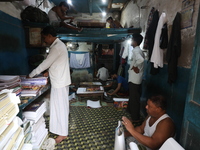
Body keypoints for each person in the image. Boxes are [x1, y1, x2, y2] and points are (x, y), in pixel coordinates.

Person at [28, 26, 71, 143]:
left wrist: (30, 75)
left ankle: (62, 134)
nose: (44, 40)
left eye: (45, 38)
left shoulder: (56, 47)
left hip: (60, 82)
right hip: (60, 81)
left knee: (60, 108)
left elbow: (45, 64)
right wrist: (48, 72)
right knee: (59, 107)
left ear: (50, 36)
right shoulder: (58, 45)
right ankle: (61, 131)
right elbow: (55, 63)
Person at [127, 33, 145, 122]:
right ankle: (131, 112)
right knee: (133, 97)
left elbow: (141, 60)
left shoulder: (136, 50)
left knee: (134, 99)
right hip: (136, 78)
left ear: (135, 41)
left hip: (134, 79)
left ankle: (135, 118)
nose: (131, 41)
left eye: (132, 40)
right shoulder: (138, 50)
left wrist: (135, 66)